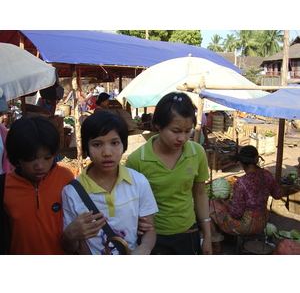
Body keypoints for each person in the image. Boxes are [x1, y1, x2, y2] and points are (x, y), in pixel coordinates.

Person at [126, 92, 212, 255]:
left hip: (188, 234)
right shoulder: (137, 160)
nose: (182, 138)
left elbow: (200, 194)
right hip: (151, 239)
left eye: (188, 131)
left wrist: (207, 236)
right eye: (176, 130)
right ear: (157, 124)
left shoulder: (197, 153)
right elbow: (129, 203)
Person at [61, 111, 158, 255]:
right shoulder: (72, 193)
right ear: (86, 148)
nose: (107, 152)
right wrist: (69, 236)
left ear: (124, 145)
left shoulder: (138, 182)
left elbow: (149, 231)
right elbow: (73, 247)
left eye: (114, 143)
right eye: (97, 144)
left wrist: (144, 248)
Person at [2, 116, 75, 254]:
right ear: (16, 156)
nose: (40, 166)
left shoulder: (66, 178)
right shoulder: (4, 186)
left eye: (47, 158)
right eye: (30, 159)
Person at [209, 145, 283, 246]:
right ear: (256, 160)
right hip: (263, 222)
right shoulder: (266, 175)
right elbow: (278, 195)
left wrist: (224, 203)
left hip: (246, 226)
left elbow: (236, 214)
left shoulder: (241, 182)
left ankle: (216, 246)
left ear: (240, 162)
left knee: (211, 206)